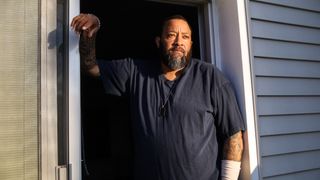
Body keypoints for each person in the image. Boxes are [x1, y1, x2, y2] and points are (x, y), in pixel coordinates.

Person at [71, 13, 246, 180]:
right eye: (171, 35)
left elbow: (233, 136)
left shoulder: (211, 78)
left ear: (191, 44)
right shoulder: (135, 72)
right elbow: (90, 68)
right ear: (158, 41)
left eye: (185, 37)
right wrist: (90, 34)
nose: (179, 42)